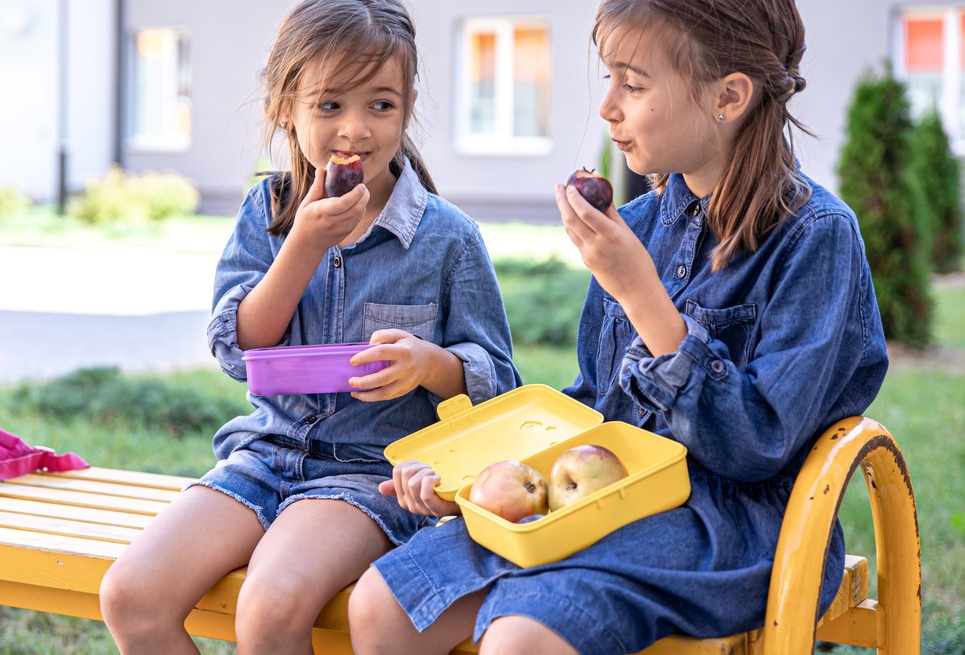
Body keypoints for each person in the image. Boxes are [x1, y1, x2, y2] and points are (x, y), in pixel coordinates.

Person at [347, 1, 889, 654]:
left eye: (632, 84)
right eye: (609, 79)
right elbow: (594, 407)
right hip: (605, 492)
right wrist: (480, 479)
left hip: (727, 522)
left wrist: (642, 294)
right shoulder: (634, 226)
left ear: (730, 97)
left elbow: (757, 444)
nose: (607, 107)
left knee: (523, 637)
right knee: (384, 604)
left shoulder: (815, 239)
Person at [98, 0, 521, 652]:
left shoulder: (445, 238)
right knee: (130, 593)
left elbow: (498, 380)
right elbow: (237, 349)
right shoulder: (265, 212)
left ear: (407, 105)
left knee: (270, 605)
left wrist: (429, 364)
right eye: (329, 105)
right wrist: (301, 244)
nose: (355, 128)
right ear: (286, 105)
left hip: (367, 474)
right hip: (263, 457)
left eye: (380, 105)